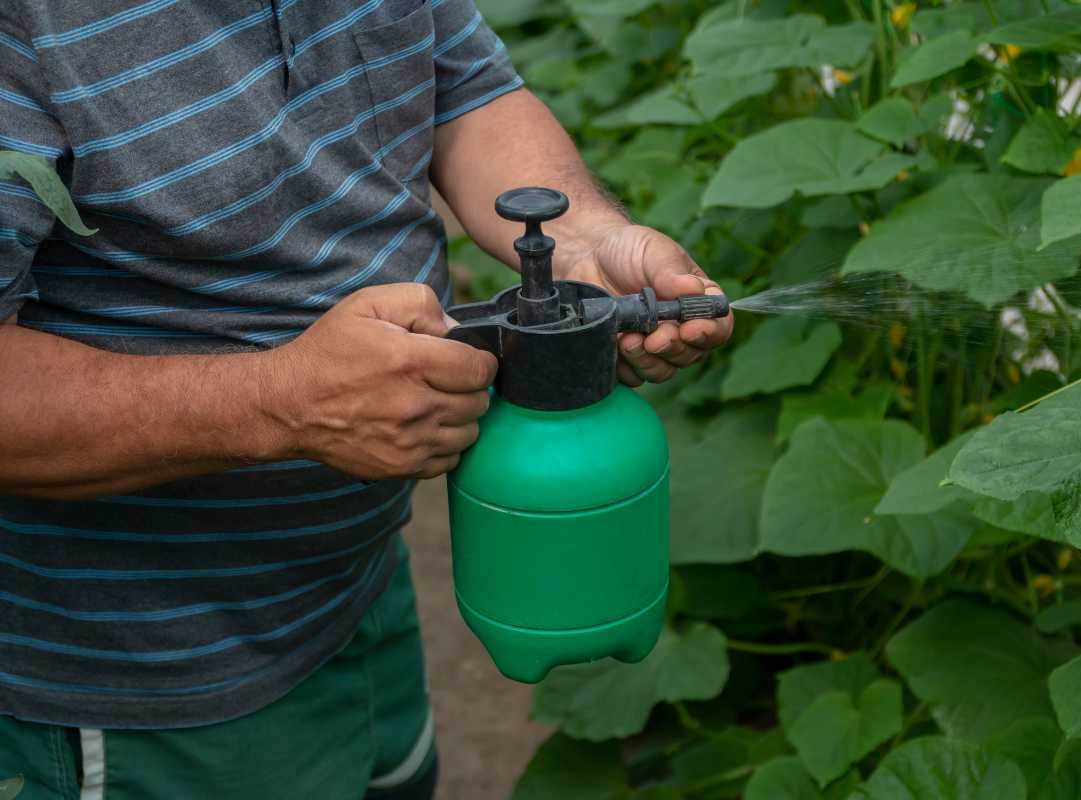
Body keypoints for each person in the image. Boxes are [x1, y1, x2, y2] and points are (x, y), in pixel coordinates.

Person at [0, 1, 732, 798]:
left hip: (356, 594)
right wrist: (278, 404)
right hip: (150, 678)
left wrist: (587, 238)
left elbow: (464, 88)